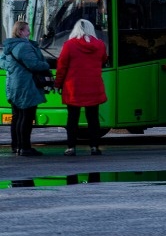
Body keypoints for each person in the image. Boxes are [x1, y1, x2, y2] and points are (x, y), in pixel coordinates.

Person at [55, 19, 107, 156]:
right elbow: (103, 60)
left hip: (74, 88)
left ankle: (71, 147)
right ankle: (94, 147)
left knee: (72, 118)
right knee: (93, 118)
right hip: (93, 86)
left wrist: (58, 84)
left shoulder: (69, 45)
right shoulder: (100, 45)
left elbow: (62, 67)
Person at [0, 21, 51, 156]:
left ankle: (16, 146)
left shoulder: (9, 47)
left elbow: (3, 63)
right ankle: (25, 147)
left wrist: (13, 68)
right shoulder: (24, 47)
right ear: (20, 32)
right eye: (27, 30)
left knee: (17, 116)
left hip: (13, 85)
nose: (29, 33)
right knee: (26, 117)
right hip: (26, 85)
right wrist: (46, 65)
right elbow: (34, 65)